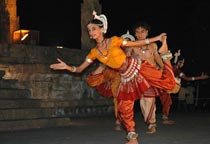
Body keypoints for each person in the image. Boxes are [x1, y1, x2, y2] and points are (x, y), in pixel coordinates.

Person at [50, 10, 176, 144]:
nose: (91, 32)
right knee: (124, 108)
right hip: (126, 77)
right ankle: (132, 138)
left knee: (169, 83)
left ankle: (165, 53)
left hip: (138, 66)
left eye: (94, 29)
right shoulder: (94, 53)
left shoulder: (114, 40)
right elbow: (80, 69)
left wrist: (157, 38)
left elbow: (137, 43)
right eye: (89, 30)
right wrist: (68, 67)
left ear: (102, 29)